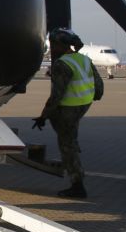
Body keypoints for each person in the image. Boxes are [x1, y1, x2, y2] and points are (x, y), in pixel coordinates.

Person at [32, 27, 104, 198]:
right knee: (71, 138)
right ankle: (74, 150)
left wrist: (43, 116)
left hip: (67, 109)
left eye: (53, 44)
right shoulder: (84, 60)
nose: (52, 48)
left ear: (61, 45)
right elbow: (99, 85)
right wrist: (94, 97)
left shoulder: (62, 64)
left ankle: (77, 184)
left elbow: (56, 96)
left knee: (67, 146)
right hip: (82, 106)